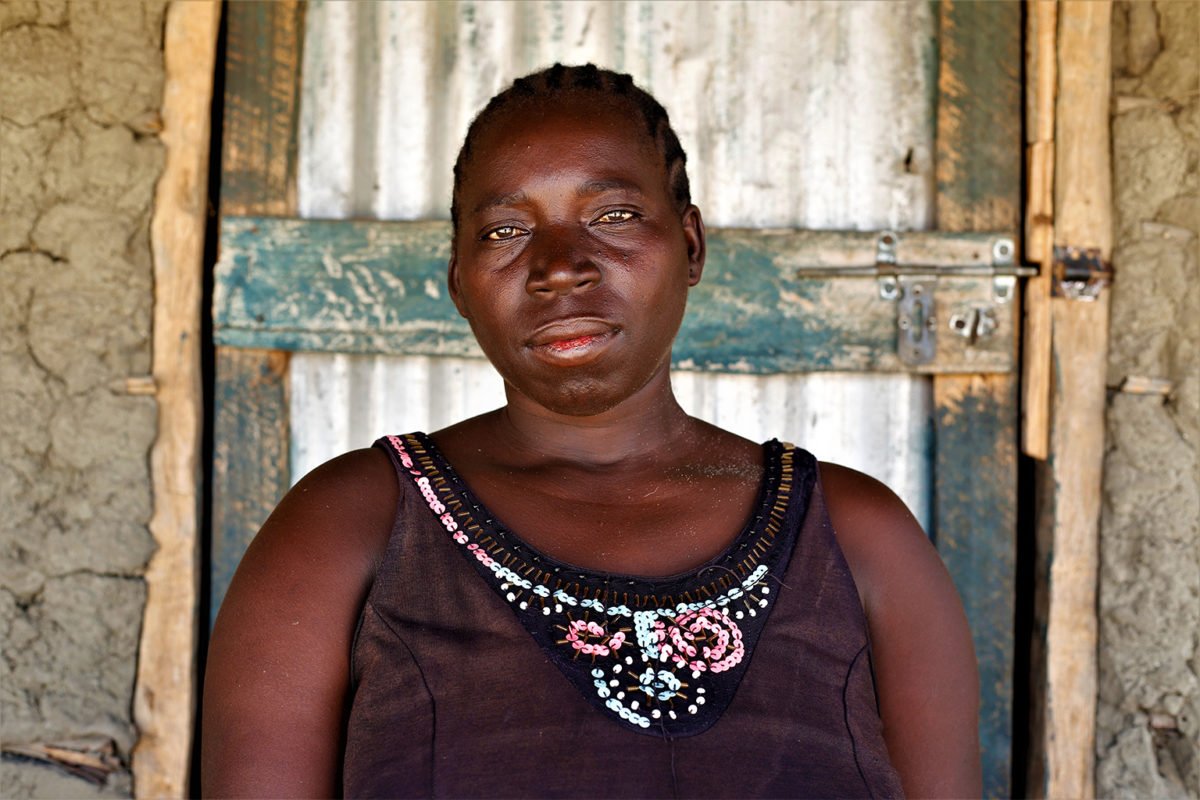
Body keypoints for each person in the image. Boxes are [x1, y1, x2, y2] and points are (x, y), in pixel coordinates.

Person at [202, 64, 980, 798]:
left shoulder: (857, 534)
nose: (559, 266)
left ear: (691, 246)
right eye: (506, 231)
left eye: (612, 216)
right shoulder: (350, 524)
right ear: (458, 284)